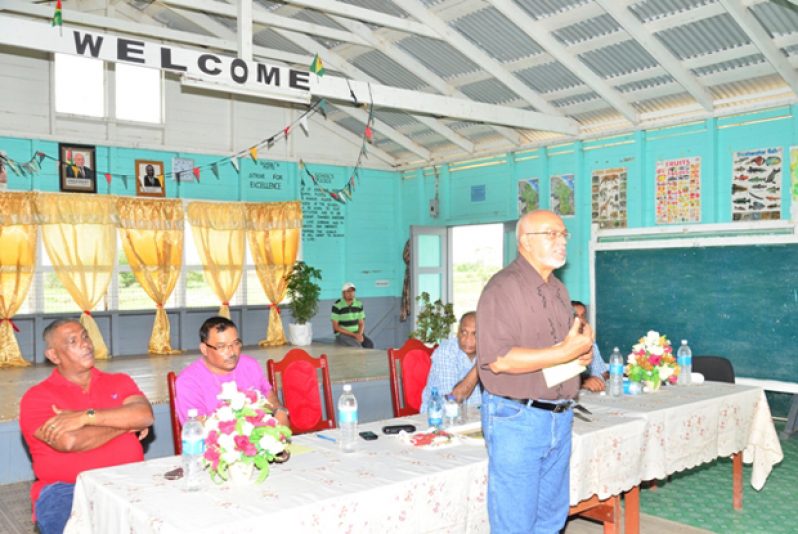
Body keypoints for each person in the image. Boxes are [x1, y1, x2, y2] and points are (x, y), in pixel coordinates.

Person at [476, 209, 594, 533]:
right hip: (517, 418)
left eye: (563, 234)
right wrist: (563, 352)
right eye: (551, 234)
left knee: (551, 519)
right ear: (525, 241)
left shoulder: (558, 291)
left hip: (558, 414)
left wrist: (577, 358)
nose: (561, 242)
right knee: (516, 521)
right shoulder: (503, 288)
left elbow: (550, 360)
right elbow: (498, 360)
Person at [19, 319, 153, 534]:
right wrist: (124, 425)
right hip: (68, 489)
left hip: (130, 481)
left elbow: (144, 414)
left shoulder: (119, 380)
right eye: (73, 341)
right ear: (54, 356)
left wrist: (86, 417)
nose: (85, 344)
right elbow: (70, 441)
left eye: (85, 336)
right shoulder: (37, 397)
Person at [175, 316, 289, 427]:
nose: (231, 352)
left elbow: (269, 397)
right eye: (221, 346)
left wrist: (278, 410)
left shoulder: (249, 365)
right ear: (204, 349)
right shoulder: (188, 381)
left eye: (235, 344)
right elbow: (198, 428)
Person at [419, 311, 480, 412]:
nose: (468, 340)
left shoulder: (489, 350)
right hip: (439, 418)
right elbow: (453, 400)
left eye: (475, 334)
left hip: (476, 419)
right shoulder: (446, 352)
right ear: (458, 332)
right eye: (464, 332)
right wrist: (480, 366)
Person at [572, 300, 609, 392]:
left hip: (598, 391)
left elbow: (604, 373)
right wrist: (583, 383)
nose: (581, 320)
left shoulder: (589, 341)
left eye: (583, 316)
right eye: (575, 316)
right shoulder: (559, 346)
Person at [331, 282, 374, 348]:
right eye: (348, 291)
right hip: (343, 334)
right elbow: (336, 327)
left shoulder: (358, 304)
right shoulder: (337, 305)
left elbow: (361, 323)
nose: (351, 293)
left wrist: (359, 334)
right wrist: (354, 335)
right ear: (343, 293)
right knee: (357, 347)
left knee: (369, 345)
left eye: (353, 291)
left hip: (357, 333)